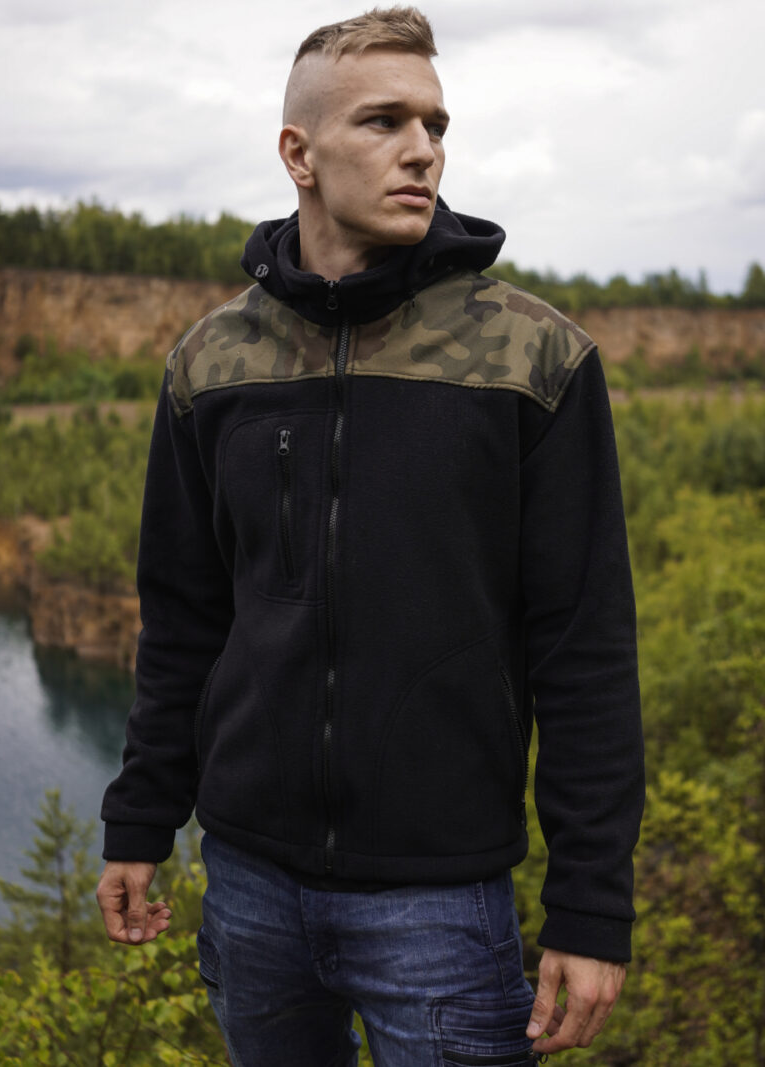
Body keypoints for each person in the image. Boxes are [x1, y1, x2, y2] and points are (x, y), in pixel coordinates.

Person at [97, 7, 645, 1065]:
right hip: (247, 883)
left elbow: (584, 649)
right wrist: (140, 816)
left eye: (435, 124)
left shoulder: (534, 358)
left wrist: (589, 904)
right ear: (297, 154)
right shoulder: (210, 363)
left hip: (440, 902)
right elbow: (184, 617)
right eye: (384, 121)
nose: (422, 149)